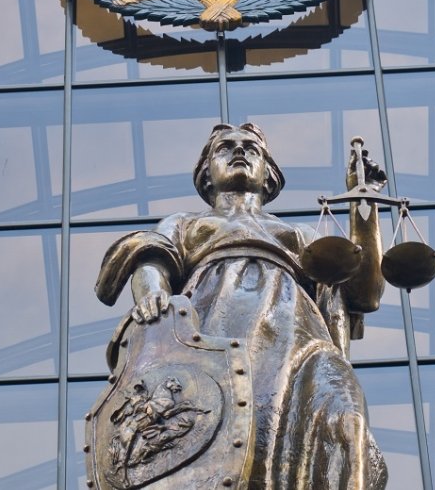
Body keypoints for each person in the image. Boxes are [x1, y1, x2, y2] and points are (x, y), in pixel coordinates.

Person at [94, 123, 388, 489]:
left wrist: (365, 207)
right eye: (225, 147)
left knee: (347, 422)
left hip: (301, 347)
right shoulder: (188, 224)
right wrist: (153, 292)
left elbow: (364, 293)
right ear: (206, 174)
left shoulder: (299, 235)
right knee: (237, 442)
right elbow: (152, 257)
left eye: (252, 148)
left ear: (268, 175)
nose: (240, 151)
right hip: (217, 338)